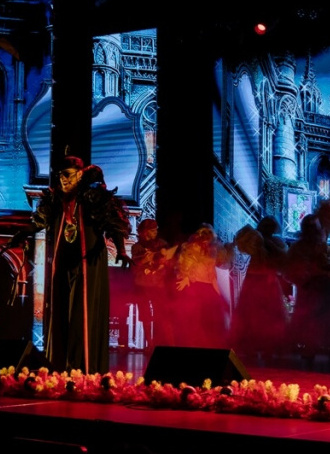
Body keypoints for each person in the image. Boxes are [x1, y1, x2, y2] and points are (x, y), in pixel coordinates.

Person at [13, 156, 131, 374]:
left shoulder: (93, 197)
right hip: (64, 261)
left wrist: (121, 250)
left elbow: (112, 223)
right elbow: (40, 222)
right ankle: (61, 365)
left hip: (87, 262)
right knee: (60, 311)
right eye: (60, 176)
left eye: (67, 175)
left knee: (81, 312)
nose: (63, 180)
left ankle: (81, 366)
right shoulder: (57, 200)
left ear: (79, 175)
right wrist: (22, 233)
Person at [287, 213, 330, 366]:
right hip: (310, 286)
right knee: (311, 319)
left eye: (314, 227)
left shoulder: (321, 245)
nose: (313, 230)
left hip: (324, 286)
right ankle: (311, 350)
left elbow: (328, 263)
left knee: (327, 319)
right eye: (310, 227)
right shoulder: (299, 247)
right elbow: (292, 267)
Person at [231, 225, 289, 361]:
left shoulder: (264, 250)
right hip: (262, 284)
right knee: (263, 319)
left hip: (259, 283)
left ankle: (257, 349)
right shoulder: (268, 248)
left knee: (255, 318)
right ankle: (265, 349)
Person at [172, 224, 229, 348]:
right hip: (195, 287)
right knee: (195, 320)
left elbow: (212, 274)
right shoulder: (192, 248)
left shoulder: (212, 251)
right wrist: (185, 277)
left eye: (208, 239)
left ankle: (209, 346)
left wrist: (218, 294)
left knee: (211, 320)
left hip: (207, 288)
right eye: (204, 239)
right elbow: (185, 265)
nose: (206, 242)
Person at [130, 219, 178, 350]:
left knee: (163, 315)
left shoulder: (162, 244)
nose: (155, 232)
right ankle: (150, 345)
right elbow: (133, 268)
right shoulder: (137, 247)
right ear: (145, 232)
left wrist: (165, 261)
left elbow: (172, 263)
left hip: (158, 285)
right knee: (145, 315)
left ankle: (169, 344)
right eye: (152, 230)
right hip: (142, 285)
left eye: (156, 229)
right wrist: (144, 260)